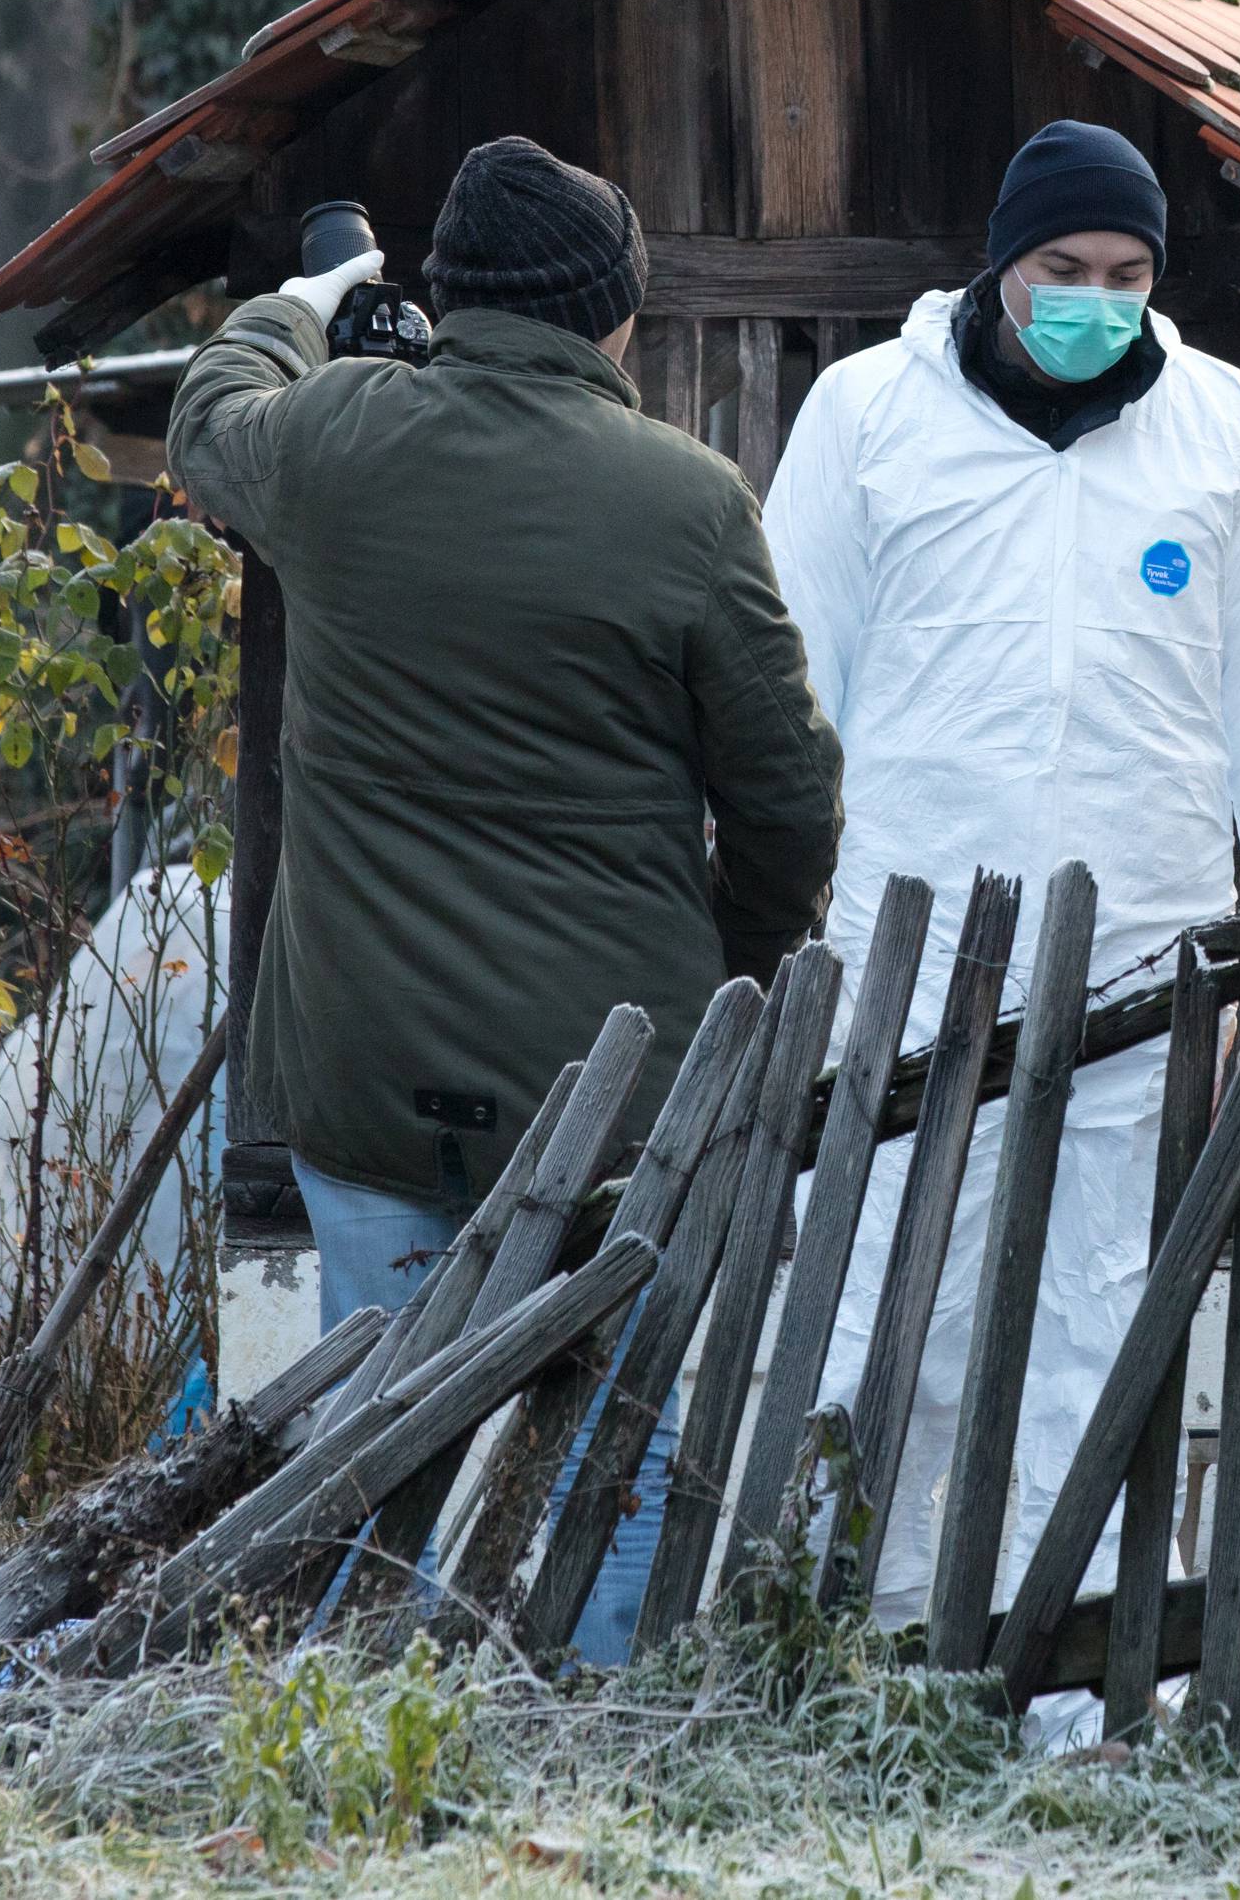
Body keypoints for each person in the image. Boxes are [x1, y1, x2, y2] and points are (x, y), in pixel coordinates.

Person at [169, 133, 843, 1657]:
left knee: (380, 1422)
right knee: (617, 1443)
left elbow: (205, 414)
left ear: (448, 291)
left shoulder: (334, 440)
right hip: (610, 1086)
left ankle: (374, 1751)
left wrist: (311, 296)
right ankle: (595, 1769)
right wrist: (717, 973)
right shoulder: (687, 500)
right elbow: (789, 803)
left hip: (367, 1072)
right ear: (615, 318)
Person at [763, 118, 1240, 1673]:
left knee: (1100, 1347)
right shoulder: (872, 416)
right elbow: (786, 688)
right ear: (1001, 267)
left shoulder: (1219, 429)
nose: (1096, 301)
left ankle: (1075, 1707)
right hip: (916, 969)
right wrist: (787, 937)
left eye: (1128, 275)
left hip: (1151, 978)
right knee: (898, 1330)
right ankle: (859, 1677)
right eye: (1064, 272)